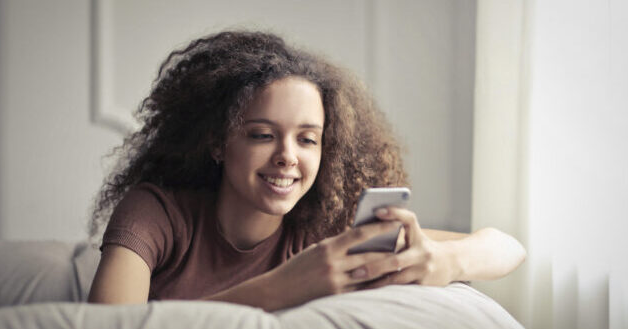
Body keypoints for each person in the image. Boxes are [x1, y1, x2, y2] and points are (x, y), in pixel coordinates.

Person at [87, 30, 526, 311]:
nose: (287, 156)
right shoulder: (155, 214)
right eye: (262, 134)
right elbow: (107, 327)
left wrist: (441, 260)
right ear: (218, 143)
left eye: (307, 138)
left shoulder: (319, 229)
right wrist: (283, 288)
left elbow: (507, 248)